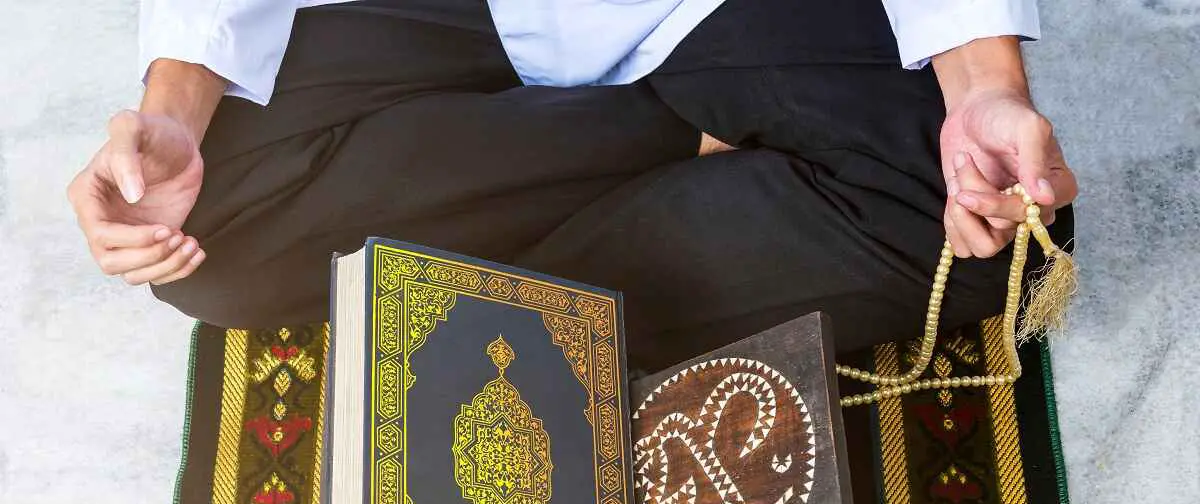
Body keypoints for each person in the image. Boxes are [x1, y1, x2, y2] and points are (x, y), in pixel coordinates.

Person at [67, 0, 1077, 370]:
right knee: (212, 238)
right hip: (428, 14)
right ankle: (679, 139)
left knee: (991, 223)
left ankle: (466, 312)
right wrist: (173, 110)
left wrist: (985, 85)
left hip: (708, 14)